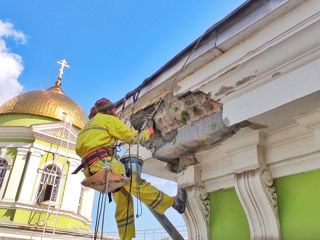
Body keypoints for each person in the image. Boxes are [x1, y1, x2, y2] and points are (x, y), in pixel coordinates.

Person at [73, 98, 186, 240]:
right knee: (136, 184)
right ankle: (174, 203)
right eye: (114, 110)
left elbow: (85, 148)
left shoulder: (86, 127)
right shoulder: (108, 120)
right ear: (111, 110)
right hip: (103, 163)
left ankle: (125, 238)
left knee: (122, 199)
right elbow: (132, 138)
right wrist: (148, 132)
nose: (115, 112)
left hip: (90, 170)